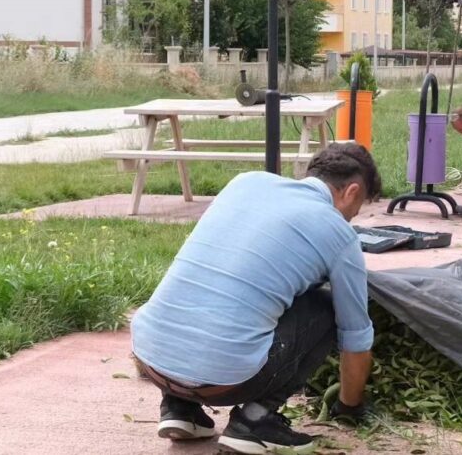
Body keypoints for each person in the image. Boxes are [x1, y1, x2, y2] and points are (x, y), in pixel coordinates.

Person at [130, 143, 382, 455]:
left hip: (151, 359)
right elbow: (355, 339)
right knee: (326, 306)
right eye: (353, 213)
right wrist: (350, 407)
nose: (349, 220)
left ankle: (179, 410)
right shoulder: (338, 233)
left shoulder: (245, 182)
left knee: (215, 285)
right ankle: (255, 421)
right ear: (352, 191)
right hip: (225, 383)